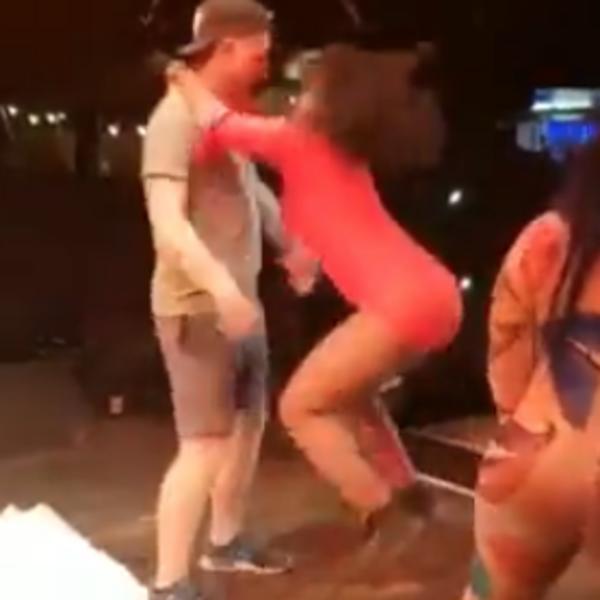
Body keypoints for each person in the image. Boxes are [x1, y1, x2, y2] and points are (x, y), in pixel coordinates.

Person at [173, 44, 463, 550]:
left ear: (331, 106)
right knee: (353, 396)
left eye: (306, 92)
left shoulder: (301, 141)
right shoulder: (338, 154)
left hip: (403, 301)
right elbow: (322, 218)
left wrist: (180, 75)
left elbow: (219, 122)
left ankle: (378, 507)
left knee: (301, 408)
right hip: (433, 294)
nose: (296, 99)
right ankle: (409, 493)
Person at [141, 1, 315, 598]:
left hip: (240, 305)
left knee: (247, 428)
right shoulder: (173, 121)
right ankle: (168, 582)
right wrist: (220, 289)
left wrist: (291, 244)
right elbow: (168, 224)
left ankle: (225, 542)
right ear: (226, 47)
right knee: (204, 447)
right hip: (197, 308)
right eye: (259, 54)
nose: (267, 64)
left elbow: (249, 187)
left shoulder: (222, 115)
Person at [464, 137, 600, 599]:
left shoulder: (547, 237)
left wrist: (517, 422)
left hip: (529, 464)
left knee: (489, 592)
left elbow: (507, 343)